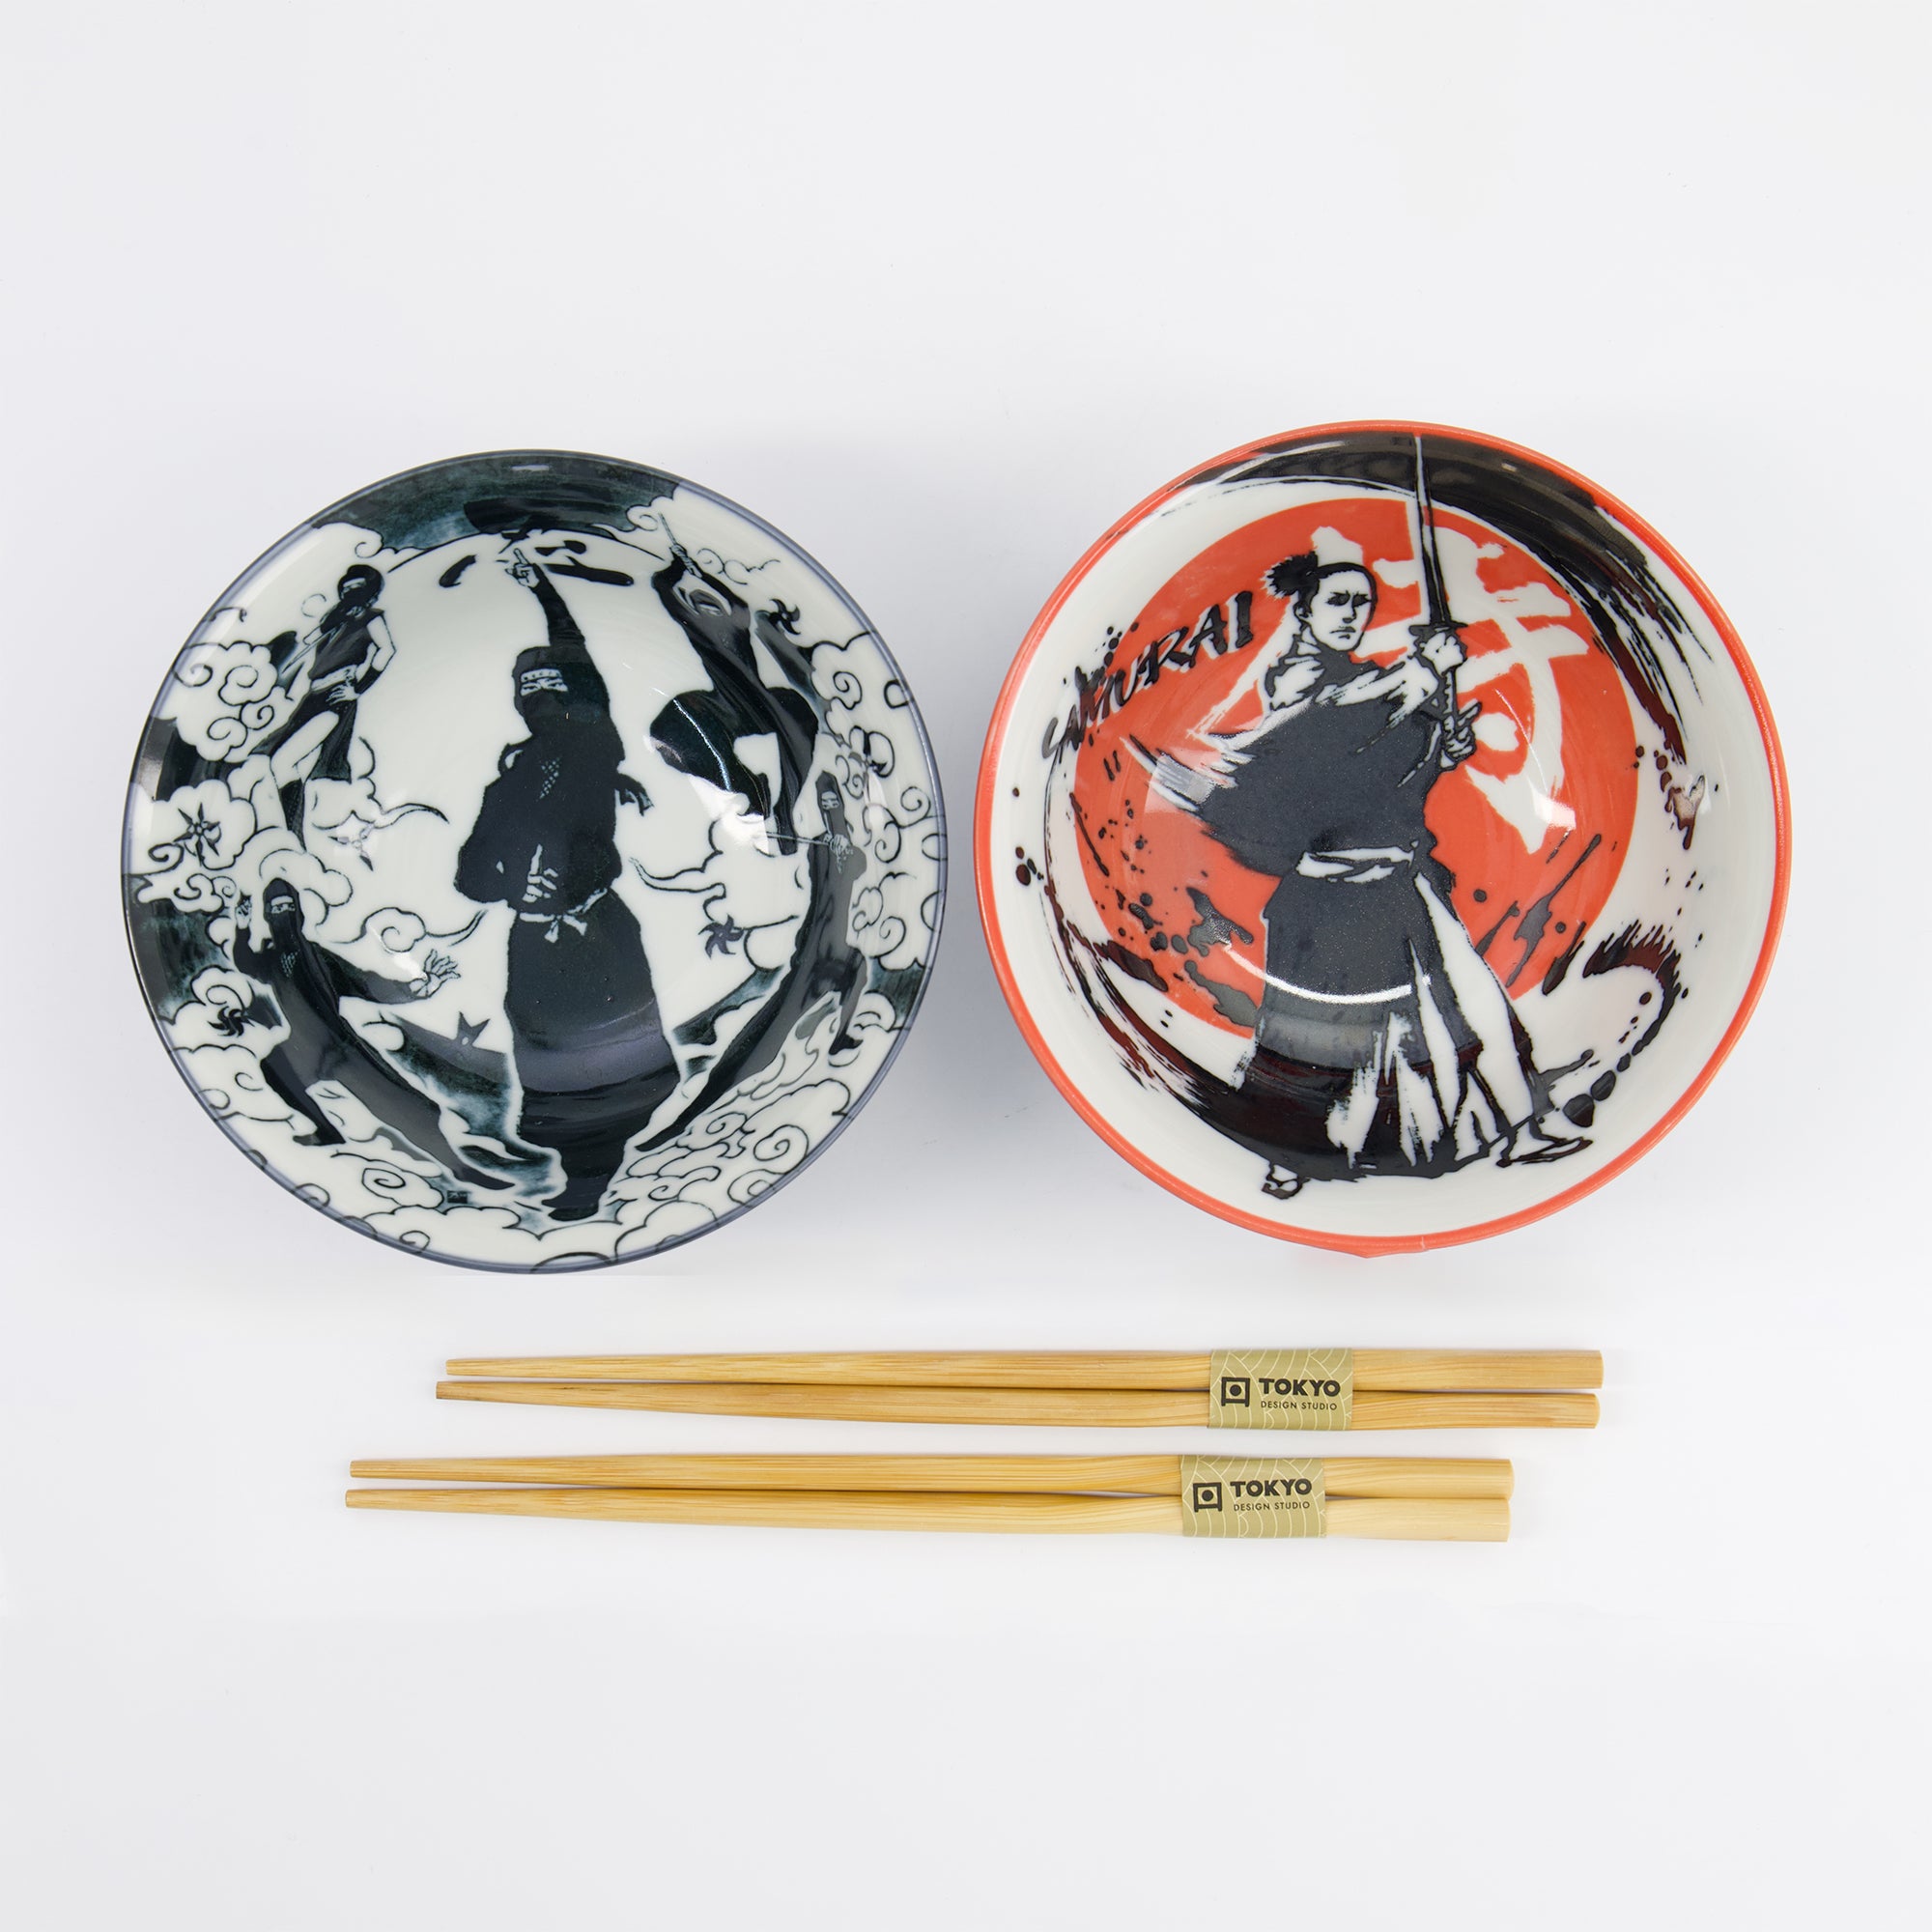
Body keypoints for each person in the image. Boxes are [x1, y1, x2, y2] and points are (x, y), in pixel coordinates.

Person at [1179, 551, 1577, 1191]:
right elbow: (1331, 727)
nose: (1352, 614)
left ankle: (1519, 1130)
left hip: (1400, 879)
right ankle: (1285, 1156)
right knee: (1313, 1032)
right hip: (1329, 896)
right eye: (1337, 601)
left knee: (1468, 1007)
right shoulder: (1297, 680)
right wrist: (1421, 669)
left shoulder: (1368, 683)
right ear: (1304, 610)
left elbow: (1382, 785)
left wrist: (1439, 754)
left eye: (1362, 603)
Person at [455, 555, 679, 1221]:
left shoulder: (590, 744)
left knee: (621, 1043)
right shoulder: (509, 784)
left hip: (596, 924)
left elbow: (580, 657)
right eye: (532, 695)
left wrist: (545, 590)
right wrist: (510, 881)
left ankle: (623, 1165)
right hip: (540, 940)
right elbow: (469, 875)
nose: (543, 704)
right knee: (555, 1057)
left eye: (551, 691)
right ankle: (588, 1177)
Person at [232, 878, 508, 1192]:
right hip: (304, 1047)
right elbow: (246, 963)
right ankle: (326, 1131)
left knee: (400, 1108)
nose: (282, 914)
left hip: (339, 1047)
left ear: (297, 912)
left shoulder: (316, 957)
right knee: (275, 1070)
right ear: (268, 915)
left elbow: (367, 983)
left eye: (287, 906)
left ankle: (460, 1169)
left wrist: (421, 985)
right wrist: (241, 928)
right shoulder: (271, 958)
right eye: (275, 908)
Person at [647, 540, 819, 853]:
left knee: (800, 717)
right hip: (721, 708)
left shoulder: (738, 619)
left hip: (760, 703)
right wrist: (676, 566)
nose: (705, 606)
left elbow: (737, 599)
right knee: (669, 729)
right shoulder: (695, 625)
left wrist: (701, 572)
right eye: (697, 603)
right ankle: (747, 788)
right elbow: (662, 586)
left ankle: (786, 810)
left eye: (711, 602)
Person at [263, 565, 394, 836]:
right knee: (285, 765)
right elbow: (307, 648)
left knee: (282, 762)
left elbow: (386, 650)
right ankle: (292, 831)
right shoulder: (335, 622)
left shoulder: (370, 618)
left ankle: (293, 835)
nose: (350, 593)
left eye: (357, 588)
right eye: (346, 588)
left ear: (369, 592)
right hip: (312, 697)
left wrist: (359, 688)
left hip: (334, 697)